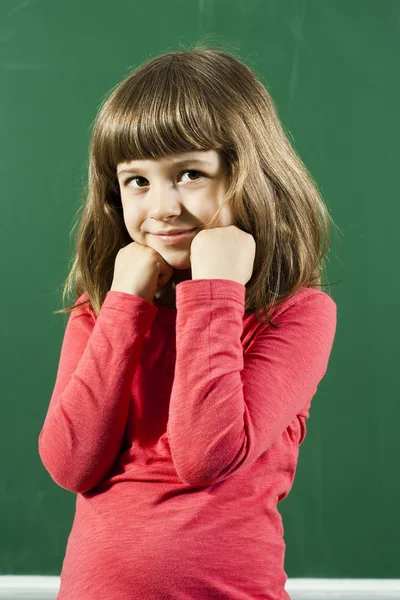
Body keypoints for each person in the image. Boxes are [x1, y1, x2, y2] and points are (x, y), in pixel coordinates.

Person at [38, 45, 341, 600]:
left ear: (250, 175)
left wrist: (213, 291)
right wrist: (125, 305)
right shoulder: (104, 310)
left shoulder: (298, 313)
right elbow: (70, 464)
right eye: (138, 181)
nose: (163, 207)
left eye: (191, 173)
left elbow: (207, 455)